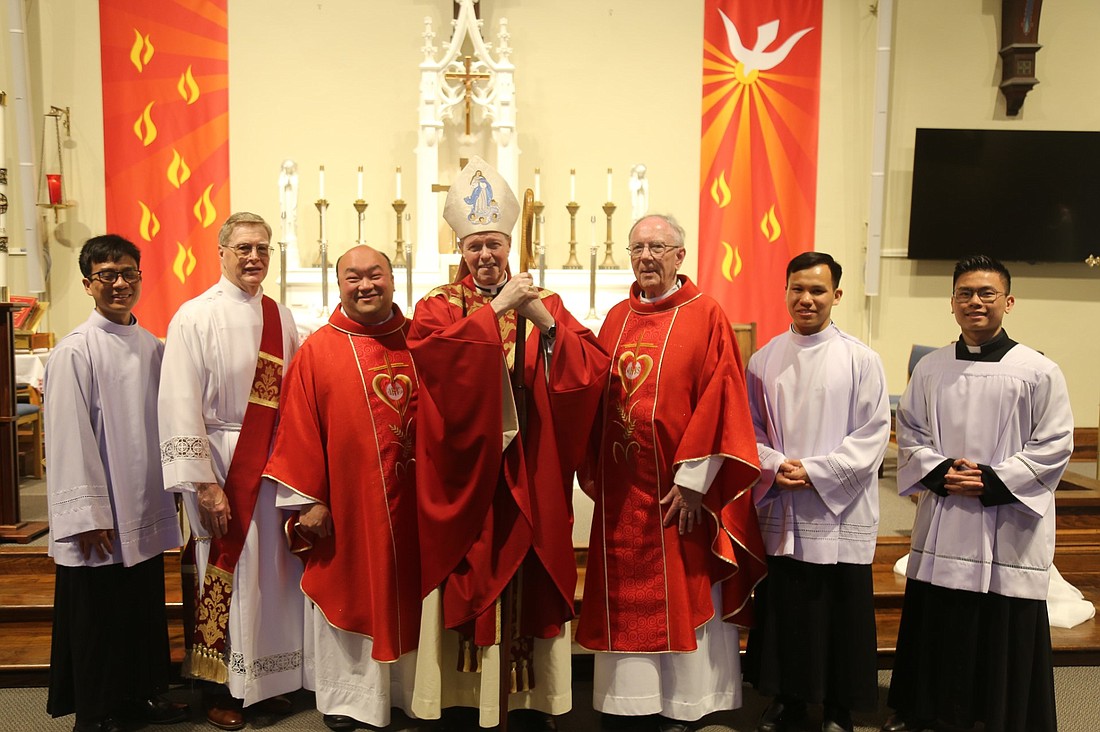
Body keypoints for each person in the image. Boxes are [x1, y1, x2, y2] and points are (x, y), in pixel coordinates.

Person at [408, 156, 609, 730]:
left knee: (530, 564)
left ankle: (529, 699)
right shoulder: (439, 305)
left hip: (530, 463)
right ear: (461, 250)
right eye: (475, 247)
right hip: (465, 469)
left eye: (494, 243)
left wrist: (544, 322)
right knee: (467, 565)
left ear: (509, 244)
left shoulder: (543, 299)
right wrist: (496, 312)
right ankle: (460, 696)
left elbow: (587, 372)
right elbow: (434, 364)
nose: (485, 256)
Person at [576, 214, 767, 732]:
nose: (645, 258)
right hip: (623, 494)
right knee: (624, 593)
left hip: (679, 490)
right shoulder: (616, 317)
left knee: (685, 587)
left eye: (657, 247)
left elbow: (721, 396)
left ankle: (688, 702)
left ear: (680, 255)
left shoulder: (706, 315)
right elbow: (596, 395)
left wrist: (694, 481)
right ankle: (628, 702)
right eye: (637, 248)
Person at [882, 254, 1073, 732]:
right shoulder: (930, 368)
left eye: (987, 294)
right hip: (946, 514)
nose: (975, 302)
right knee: (939, 617)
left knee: (1000, 619)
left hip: (1006, 520)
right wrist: (943, 471)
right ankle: (927, 711)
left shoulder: (1037, 370)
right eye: (965, 293)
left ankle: (1002, 716)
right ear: (951, 303)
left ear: (1008, 302)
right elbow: (910, 432)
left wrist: (991, 479)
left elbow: (1055, 443)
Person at [264, 245, 421, 731]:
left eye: (375, 275)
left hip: (418, 507)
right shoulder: (319, 349)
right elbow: (297, 428)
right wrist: (308, 499)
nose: (366, 285)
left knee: (415, 592)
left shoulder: (423, 340)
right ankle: (353, 700)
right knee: (353, 587)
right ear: (340, 285)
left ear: (394, 280)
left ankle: (416, 696)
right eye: (353, 277)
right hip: (350, 509)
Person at [158, 212, 303, 730]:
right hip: (220, 462)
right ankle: (217, 689)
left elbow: (298, 397)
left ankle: (260, 683)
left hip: (271, 465)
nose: (254, 257)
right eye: (243, 247)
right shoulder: (193, 317)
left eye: (263, 248)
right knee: (224, 573)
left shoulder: (281, 317)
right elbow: (178, 402)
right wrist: (203, 482)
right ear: (221, 251)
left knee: (270, 577)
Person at [45, 235, 188, 732]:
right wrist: (87, 516)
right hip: (101, 513)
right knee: (98, 613)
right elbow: (69, 439)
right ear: (88, 284)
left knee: (141, 605)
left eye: (129, 273)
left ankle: (140, 696)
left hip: (144, 502)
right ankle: (98, 709)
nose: (120, 283)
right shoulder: (74, 352)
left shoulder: (152, 347)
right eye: (107, 275)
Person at [742, 252, 891, 732]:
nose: (806, 299)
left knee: (840, 611)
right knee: (788, 608)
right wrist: (770, 464)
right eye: (797, 289)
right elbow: (751, 429)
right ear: (785, 291)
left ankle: (841, 707)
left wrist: (815, 471)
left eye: (818, 291)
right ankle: (788, 699)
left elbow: (872, 435)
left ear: (837, 296)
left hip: (837, 512)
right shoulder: (763, 359)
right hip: (783, 505)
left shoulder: (861, 359)